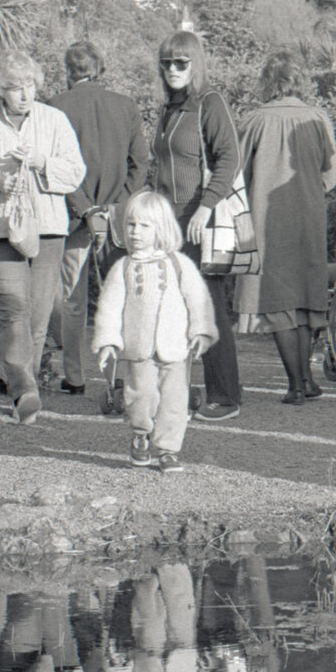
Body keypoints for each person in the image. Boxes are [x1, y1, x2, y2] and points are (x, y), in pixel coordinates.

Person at [0, 50, 87, 424]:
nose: (24, 94)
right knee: (14, 307)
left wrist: (42, 163)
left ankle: (26, 387)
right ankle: (23, 388)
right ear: (0, 91)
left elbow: (75, 172)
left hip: (47, 227)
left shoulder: (54, 120)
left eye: (29, 86)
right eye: (15, 88)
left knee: (40, 312)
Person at [45, 40, 149, 398]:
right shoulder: (125, 105)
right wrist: (117, 204)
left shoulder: (55, 107)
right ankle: (119, 375)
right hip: (119, 218)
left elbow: (55, 169)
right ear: (100, 67)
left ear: (67, 70)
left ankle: (74, 376)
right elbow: (141, 163)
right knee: (120, 297)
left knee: (73, 299)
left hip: (73, 217)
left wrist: (86, 208)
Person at [234, 51, 336, 405]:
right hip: (309, 215)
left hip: (265, 219)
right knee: (308, 297)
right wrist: (312, 191)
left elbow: (236, 174)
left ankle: (295, 383)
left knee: (276, 300)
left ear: (268, 80)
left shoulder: (252, 121)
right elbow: (332, 173)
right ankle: (306, 379)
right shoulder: (317, 117)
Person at [149, 30, 243, 422]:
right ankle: (181, 390)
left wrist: (206, 206)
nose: (173, 69)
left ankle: (225, 396)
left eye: (181, 62)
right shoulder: (169, 109)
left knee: (207, 308)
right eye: (167, 62)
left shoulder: (209, 102)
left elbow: (229, 158)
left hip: (196, 222)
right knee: (171, 310)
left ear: (195, 64)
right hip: (167, 224)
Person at [92, 191, 217, 473]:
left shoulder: (178, 264)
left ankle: (168, 449)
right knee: (141, 395)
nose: (135, 232)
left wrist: (200, 331)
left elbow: (198, 298)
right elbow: (110, 307)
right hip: (138, 348)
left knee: (175, 400)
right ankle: (140, 433)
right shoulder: (123, 268)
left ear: (161, 229)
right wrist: (108, 342)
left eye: (144, 226)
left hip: (175, 345)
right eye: (131, 225)